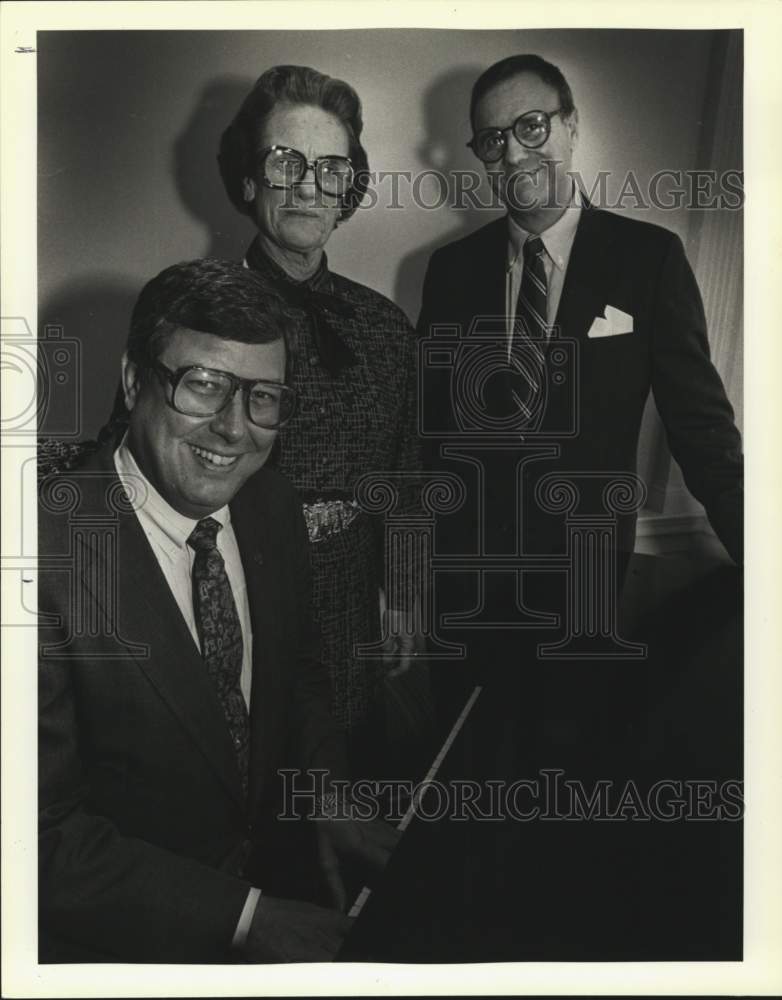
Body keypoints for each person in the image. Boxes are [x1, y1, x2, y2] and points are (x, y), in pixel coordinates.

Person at [37, 259, 396, 964]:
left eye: (264, 396)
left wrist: (323, 791)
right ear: (136, 380)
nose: (235, 429)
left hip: (284, 880)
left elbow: (299, 674)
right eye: (204, 386)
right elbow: (37, 834)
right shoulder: (36, 554)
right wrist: (248, 919)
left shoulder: (271, 505)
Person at [417, 54, 743, 733]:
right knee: (459, 779)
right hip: (463, 597)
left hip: (582, 597)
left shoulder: (648, 260)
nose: (514, 152)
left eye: (531, 125)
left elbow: (703, 431)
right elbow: (430, 434)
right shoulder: (451, 271)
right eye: (493, 138)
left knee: (564, 778)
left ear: (570, 127)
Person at [217, 65, 426, 778]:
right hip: (233, 603)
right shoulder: (193, 317)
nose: (308, 184)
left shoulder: (385, 327)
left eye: (330, 167)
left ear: (348, 191)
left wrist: (401, 597)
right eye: (286, 161)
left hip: (348, 615)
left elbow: (404, 475)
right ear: (249, 181)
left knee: (348, 803)